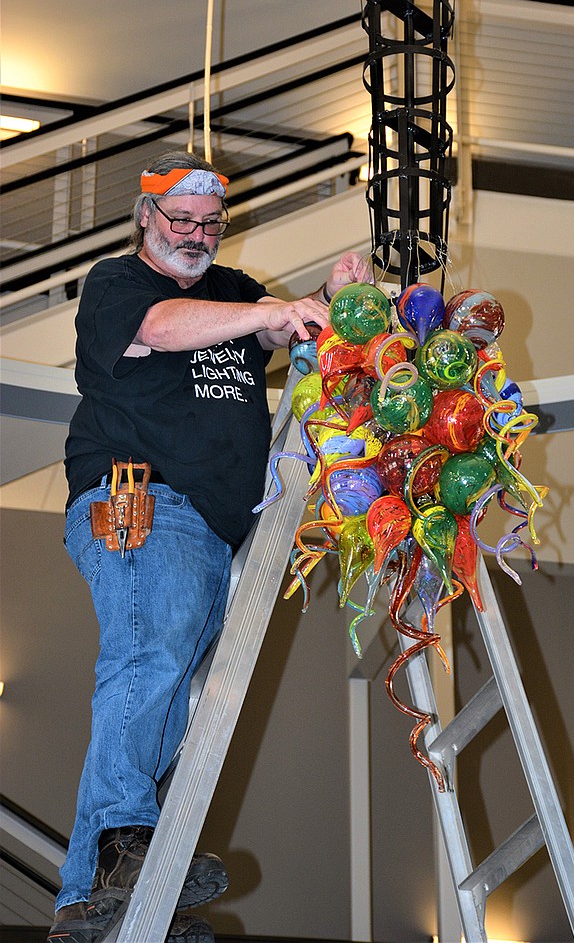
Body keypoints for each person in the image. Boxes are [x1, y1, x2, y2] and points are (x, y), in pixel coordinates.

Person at [50, 150, 373, 943]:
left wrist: (326, 302)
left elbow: (270, 332)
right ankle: (125, 844)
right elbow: (160, 329)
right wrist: (266, 313)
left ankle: (99, 900)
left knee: (163, 683)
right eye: (180, 221)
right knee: (149, 657)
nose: (195, 235)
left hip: (210, 526)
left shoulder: (231, 291)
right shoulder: (118, 285)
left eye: (209, 224)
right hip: (145, 499)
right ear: (145, 220)